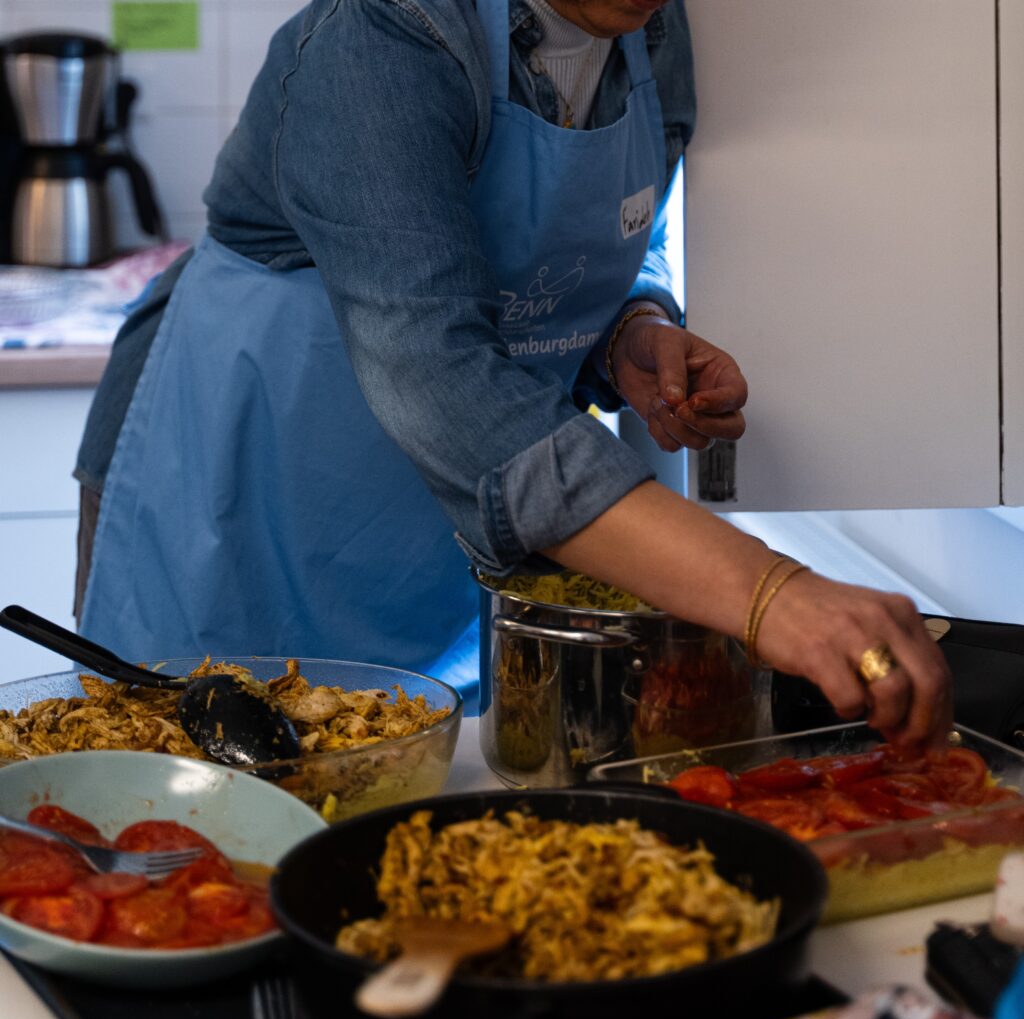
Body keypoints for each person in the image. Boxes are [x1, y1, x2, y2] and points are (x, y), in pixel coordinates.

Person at [73, 0, 952, 748]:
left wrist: (630, 332)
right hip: (238, 507)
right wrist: (769, 594)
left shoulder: (655, 32)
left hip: (432, 538)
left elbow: (588, 242)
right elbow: (437, 367)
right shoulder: (385, 34)